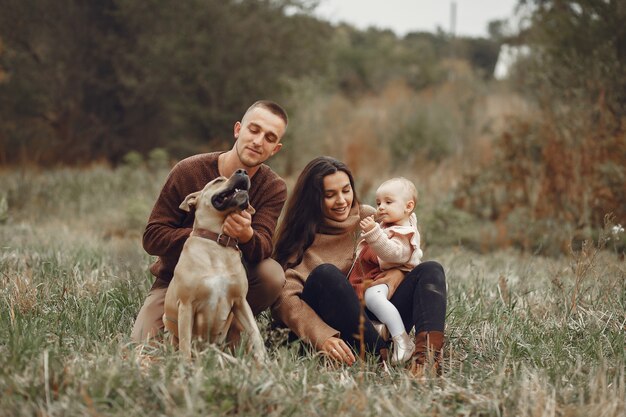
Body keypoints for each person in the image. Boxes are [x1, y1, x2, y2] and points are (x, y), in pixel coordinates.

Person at [131, 100, 289, 343]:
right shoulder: (188, 170)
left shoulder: (273, 187)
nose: (258, 141)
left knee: (272, 275)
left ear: (275, 149)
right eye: (254, 130)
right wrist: (205, 235)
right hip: (177, 282)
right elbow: (152, 236)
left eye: (269, 138)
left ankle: (229, 328)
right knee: (143, 347)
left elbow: (264, 246)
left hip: (231, 281)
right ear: (238, 129)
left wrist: (247, 235)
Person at [271, 156, 446, 375]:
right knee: (327, 274)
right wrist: (323, 336)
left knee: (431, 270)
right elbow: (285, 300)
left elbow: (401, 250)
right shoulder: (299, 240)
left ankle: (426, 360)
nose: (342, 200)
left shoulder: (368, 218)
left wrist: (398, 273)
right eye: (330, 195)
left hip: (379, 308)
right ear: (313, 199)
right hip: (343, 327)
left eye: (346, 190)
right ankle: (378, 354)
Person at [348, 177, 422, 364]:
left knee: (373, 298)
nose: (381, 207)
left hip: (386, 280)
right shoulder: (388, 224)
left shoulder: (406, 232)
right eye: (378, 202)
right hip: (372, 278)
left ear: (408, 207)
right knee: (363, 302)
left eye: (388, 202)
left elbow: (393, 253)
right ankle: (380, 329)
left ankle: (402, 339)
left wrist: (373, 233)